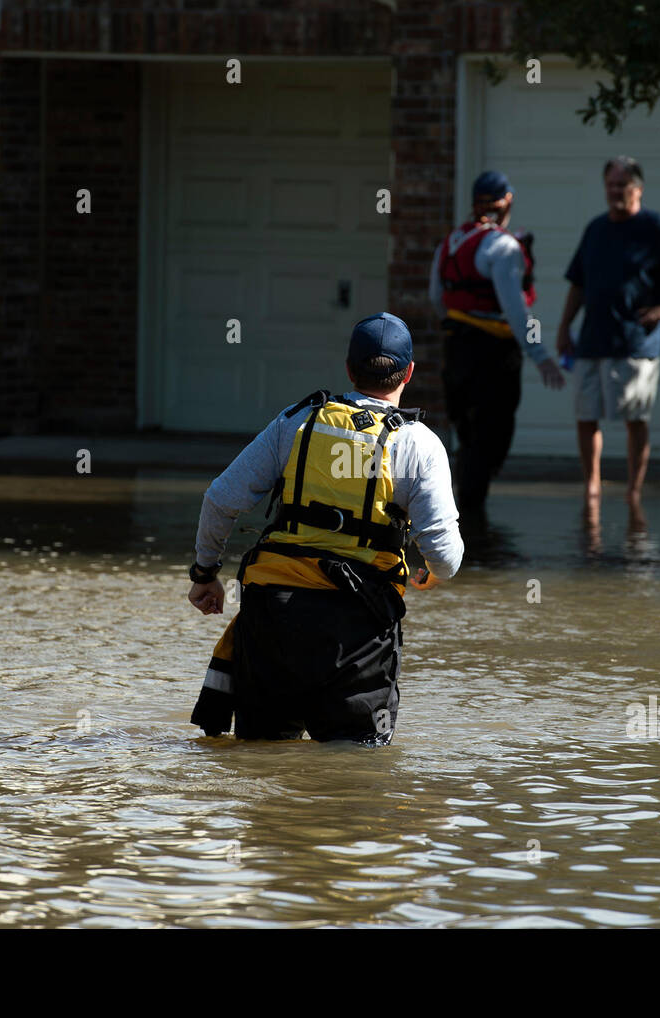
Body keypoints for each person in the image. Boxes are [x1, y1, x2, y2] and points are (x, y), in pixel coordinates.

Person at [186, 312, 463, 745]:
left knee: (261, 765)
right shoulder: (419, 444)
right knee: (355, 779)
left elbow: (221, 499)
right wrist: (428, 571)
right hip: (359, 631)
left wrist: (206, 575)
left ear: (349, 369)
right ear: (409, 372)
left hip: (273, 617)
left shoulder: (296, 421)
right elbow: (445, 558)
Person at [556, 156, 660, 523]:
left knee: (634, 418)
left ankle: (633, 491)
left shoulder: (654, 228)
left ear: (638, 189)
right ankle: (592, 486)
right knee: (585, 415)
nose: (615, 192)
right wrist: (564, 327)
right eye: (610, 184)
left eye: (622, 185)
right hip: (592, 338)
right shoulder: (595, 229)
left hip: (636, 341)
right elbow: (578, 283)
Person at [430, 170, 565, 516]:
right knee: (493, 438)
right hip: (493, 355)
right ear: (506, 202)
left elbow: (437, 298)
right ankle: (472, 524)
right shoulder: (504, 247)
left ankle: (465, 516)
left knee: (468, 433)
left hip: (456, 349)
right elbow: (516, 311)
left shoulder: (449, 243)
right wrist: (541, 356)